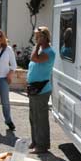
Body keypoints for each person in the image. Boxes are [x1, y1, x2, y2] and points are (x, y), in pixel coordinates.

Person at [27, 26, 56, 154]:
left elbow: (34, 59)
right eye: (36, 36)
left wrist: (37, 45)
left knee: (41, 118)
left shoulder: (49, 52)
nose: (36, 38)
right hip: (33, 88)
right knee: (33, 117)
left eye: (38, 36)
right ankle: (35, 141)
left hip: (42, 89)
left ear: (45, 37)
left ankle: (42, 145)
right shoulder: (39, 51)